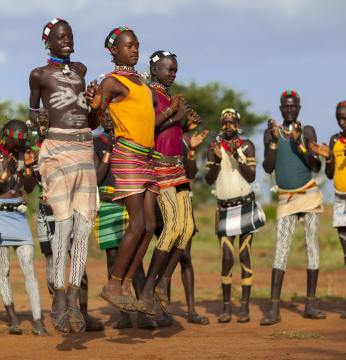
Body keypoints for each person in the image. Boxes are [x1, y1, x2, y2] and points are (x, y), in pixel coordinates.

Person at [29, 18, 99, 335]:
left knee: (83, 226)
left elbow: (92, 119)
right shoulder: (39, 75)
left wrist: (96, 102)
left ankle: (73, 294)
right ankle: (58, 295)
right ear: (49, 42)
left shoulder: (82, 71)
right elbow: (34, 118)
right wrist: (37, 126)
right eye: (61, 36)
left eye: (70, 35)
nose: (67, 39)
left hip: (85, 148)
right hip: (56, 149)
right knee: (64, 224)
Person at [86, 27, 159, 315]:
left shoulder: (143, 83)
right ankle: (113, 285)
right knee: (138, 224)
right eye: (129, 46)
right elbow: (94, 119)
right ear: (114, 51)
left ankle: (126, 285)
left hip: (148, 157)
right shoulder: (111, 82)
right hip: (127, 155)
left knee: (150, 226)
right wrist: (93, 107)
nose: (135, 49)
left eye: (137, 45)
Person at [139, 51, 205, 317]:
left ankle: (164, 281)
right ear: (154, 70)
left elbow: (170, 131)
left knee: (187, 229)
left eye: (176, 70)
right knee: (173, 225)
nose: (173, 74)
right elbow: (145, 130)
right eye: (169, 70)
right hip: (159, 166)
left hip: (177, 166)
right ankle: (149, 287)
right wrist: (174, 117)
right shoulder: (151, 94)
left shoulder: (171, 96)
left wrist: (185, 128)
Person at [261, 91, 325, 325]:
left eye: (293, 106)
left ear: (299, 107)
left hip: (308, 193)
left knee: (312, 247)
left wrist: (299, 143)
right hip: (286, 198)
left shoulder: (307, 132)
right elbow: (268, 168)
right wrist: (276, 140)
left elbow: (316, 164)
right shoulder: (271, 134)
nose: (289, 110)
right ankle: (274, 309)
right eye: (285, 107)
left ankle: (310, 304)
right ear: (280, 109)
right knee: (281, 250)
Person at [0, 119, 49, 335]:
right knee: (3, 269)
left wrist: (28, 168)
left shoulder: (27, 152)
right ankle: (13, 320)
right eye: (18, 139)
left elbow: (29, 189)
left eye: (24, 140)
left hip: (18, 216)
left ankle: (38, 321)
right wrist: (6, 173)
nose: (21, 144)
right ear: (7, 135)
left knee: (29, 268)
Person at [93, 110, 157, 329]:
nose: (109, 119)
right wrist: (108, 152)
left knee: (134, 259)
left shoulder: (129, 141)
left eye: (113, 115)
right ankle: (123, 313)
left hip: (130, 202)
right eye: (104, 115)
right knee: (113, 258)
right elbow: (97, 178)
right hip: (107, 205)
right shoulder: (95, 143)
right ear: (99, 119)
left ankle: (141, 311)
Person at [32, 135, 104, 332]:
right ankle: (60, 307)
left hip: (73, 206)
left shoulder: (75, 144)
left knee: (79, 265)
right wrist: (31, 165)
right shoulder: (35, 149)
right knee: (52, 263)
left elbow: (93, 171)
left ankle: (82, 312)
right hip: (48, 208)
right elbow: (33, 183)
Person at [205, 108, 265, 323]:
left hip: (245, 206)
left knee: (245, 256)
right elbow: (208, 179)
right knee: (227, 259)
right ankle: (226, 307)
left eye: (232, 122)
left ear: (238, 124)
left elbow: (251, 175)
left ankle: (244, 308)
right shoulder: (213, 147)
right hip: (225, 209)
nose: (228, 126)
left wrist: (233, 156)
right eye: (225, 122)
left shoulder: (246, 145)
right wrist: (220, 159)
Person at [311, 100, 346, 318]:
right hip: (341, 201)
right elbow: (330, 174)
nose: (342, 122)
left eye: (345, 118)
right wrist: (329, 158)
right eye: (339, 119)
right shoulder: (334, 139)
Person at [154, 130, 210, 327]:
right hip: (163, 202)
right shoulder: (160, 138)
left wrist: (192, 150)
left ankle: (191, 310)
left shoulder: (185, 142)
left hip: (182, 200)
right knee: (164, 256)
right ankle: (165, 312)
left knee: (185, 257)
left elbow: (192, 173)